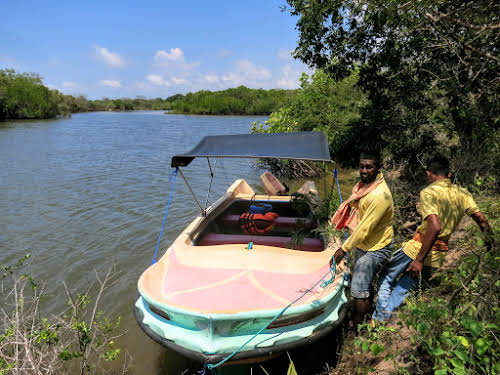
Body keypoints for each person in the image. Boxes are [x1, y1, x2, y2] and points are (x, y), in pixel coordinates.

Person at [373, 154, 491, 321]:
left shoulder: (429, 192)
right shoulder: (463, 193)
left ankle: (377, 320)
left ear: (429, 174)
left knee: (386, 276)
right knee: (404, 287)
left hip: (417, 249)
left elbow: (434, 227)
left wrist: (419, 260)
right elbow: (482, 220)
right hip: (438, 254)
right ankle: (380, 322)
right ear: (449, 175)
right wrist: (492, 244)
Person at [331, 151, 394, 326]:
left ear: (378, 168)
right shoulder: (365, 187)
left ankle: (358, 327)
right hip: (365, 243)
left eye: (369, 167)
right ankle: (365, 311)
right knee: (363, 284)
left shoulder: (378, 196)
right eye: (361, 166)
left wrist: (343, 249)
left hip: (375, 247)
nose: (364, 171)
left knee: (358, 289)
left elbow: (364, 229)